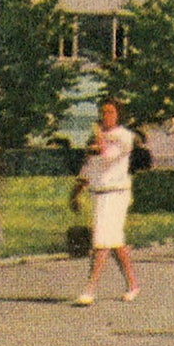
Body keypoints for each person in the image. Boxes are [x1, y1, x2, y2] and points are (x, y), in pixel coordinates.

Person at [70, 100, 140, 305]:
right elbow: (89, 166)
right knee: (115, 241)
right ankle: (133, 284)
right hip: (98, 193)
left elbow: (106, 156)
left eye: (110, 111)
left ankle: (89, 290)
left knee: (101, 240)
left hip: (116, 193)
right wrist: (75, 193)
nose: (106, 115)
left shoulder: (124, 137)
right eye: (103, 112)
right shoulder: (97, 137)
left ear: (118, 114)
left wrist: (98, 137)